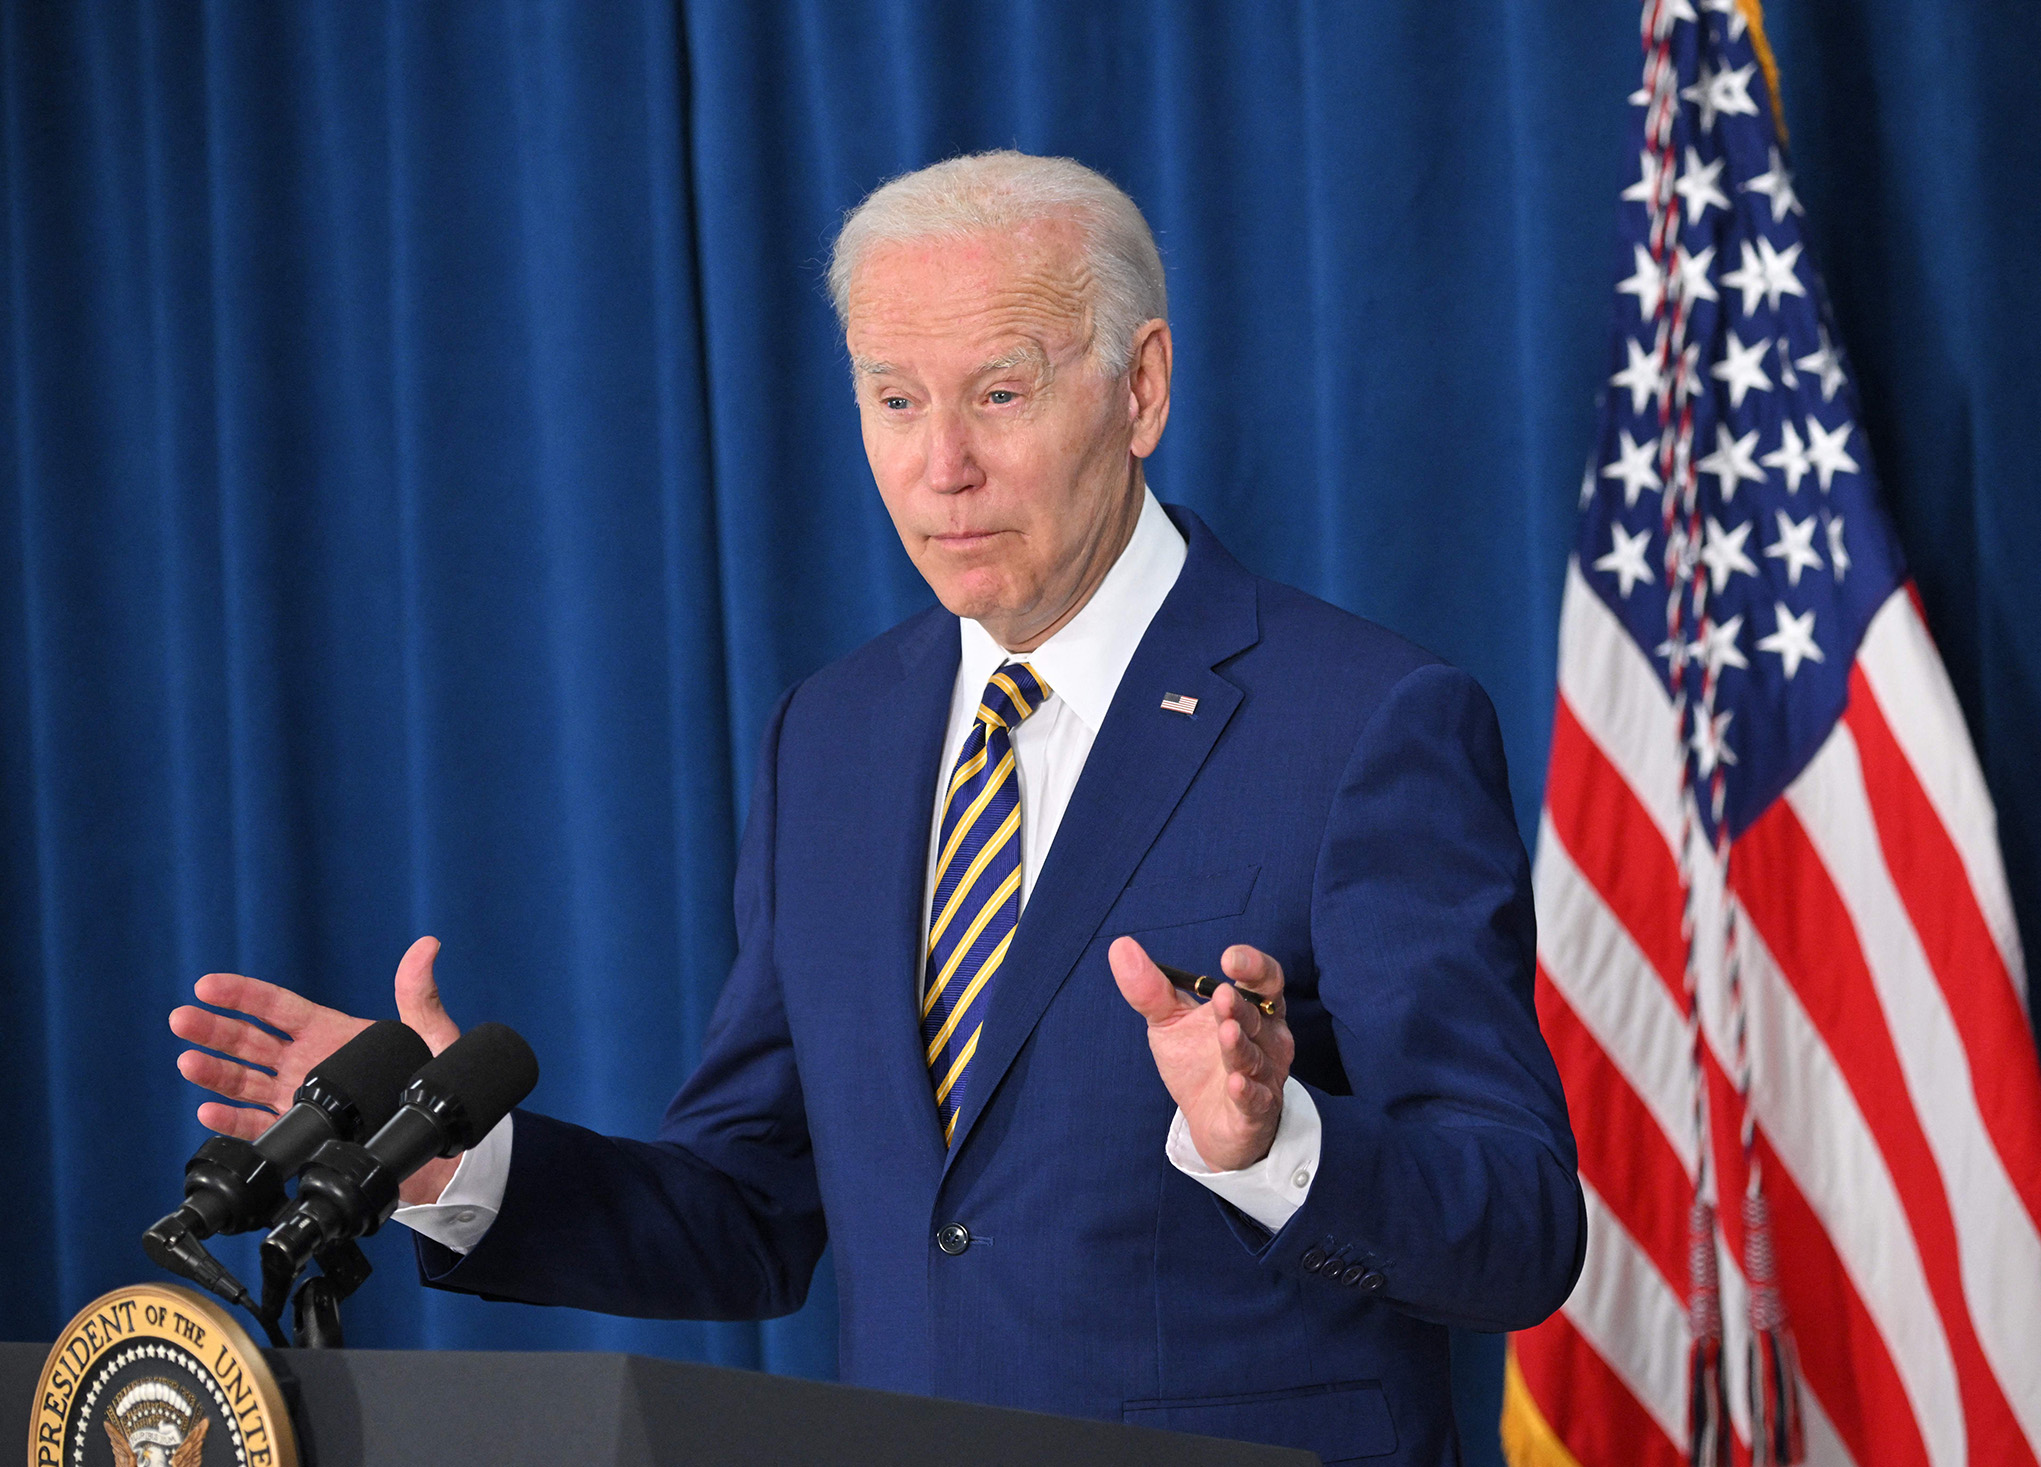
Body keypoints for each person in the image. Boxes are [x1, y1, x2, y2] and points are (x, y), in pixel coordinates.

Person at [172, 151, 1583, 1464]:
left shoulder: (1365, 720)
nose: (940, 466)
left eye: (1002, 393)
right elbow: (750, 1210)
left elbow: (1519, 1232)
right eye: (895, 398)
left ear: (1141, 388)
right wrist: (457, 1164)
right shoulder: (831, 738)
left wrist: (1278, 1142)